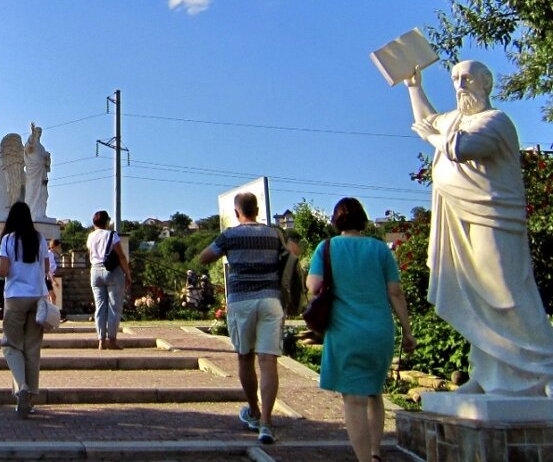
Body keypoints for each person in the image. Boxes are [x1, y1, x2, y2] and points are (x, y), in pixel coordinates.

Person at [405, 61, 553, 395]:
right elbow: (427, 121)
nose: (460, 84)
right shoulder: (454, 121)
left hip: (494, 218)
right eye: (456, 78)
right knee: (476, 300)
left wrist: (432, 136)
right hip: (461, 218)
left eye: (467, 78)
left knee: (506, 293)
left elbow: (462, 147)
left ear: (485, 83)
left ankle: (547, 369)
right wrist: (414, 85)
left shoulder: (496, 121)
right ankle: (488, 376)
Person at [308, 197, 417, 462]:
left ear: (336, 220)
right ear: (363, 219)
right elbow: (395, 291)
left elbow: (313, 286)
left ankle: (363, 460)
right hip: (379, 330)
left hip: (345, 332)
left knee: (353, 400)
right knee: (374, 392)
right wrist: (407, 330)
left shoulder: (327, 248)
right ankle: (375, 452)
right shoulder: (380, 249)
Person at [197, 192, 286, 445]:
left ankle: (254, 411)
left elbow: (204, 257)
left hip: (241, 300)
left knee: (245, 357)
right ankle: (267, 423)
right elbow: (292, 250)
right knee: (269, 361)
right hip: (271, 299)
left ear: (237, 212)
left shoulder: (230, 236)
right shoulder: (274, 233)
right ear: (257, 209)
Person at [0, 202, 49, 418]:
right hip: (37, 296)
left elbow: (5, 270)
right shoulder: (39, 238)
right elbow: (45, 267)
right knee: (32, 348)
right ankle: (31, 398)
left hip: (15, 296)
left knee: (10, 345)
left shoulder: (8, 239)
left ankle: (21, 388)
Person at [87, 210, 130, 350]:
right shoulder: (112, 235)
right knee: (114, 307)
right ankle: (112, 340)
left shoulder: (90, 236)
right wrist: (128, 274)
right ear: (106, 222)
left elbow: (90, 255)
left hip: (95, 271)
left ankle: (101, 340)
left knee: (100, 308)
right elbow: (121, 256)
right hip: (112, 272)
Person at [23, 123, 51, 217]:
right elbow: (28, 148)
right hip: (33, 173)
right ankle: (30, 213)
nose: (39, 133)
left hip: (42, 173)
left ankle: (41, 213)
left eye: (40, 132)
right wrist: (32, 134)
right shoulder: (31, 144)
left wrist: (47, 159)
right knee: (31, 192)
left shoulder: (41, 147)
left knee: (43, 193)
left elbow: (46, 163)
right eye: (37, 132)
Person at [46, 238, 61, 305]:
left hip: (48, 278)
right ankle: (52, 313)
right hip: (46, 278)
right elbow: (47, 268)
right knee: (52, 296)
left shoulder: (51, 254)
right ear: (55, 246)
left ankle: (51, 313)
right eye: (59, 247)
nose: (59, 249)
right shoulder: (49, 254)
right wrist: (54, 281)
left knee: (51, 297)